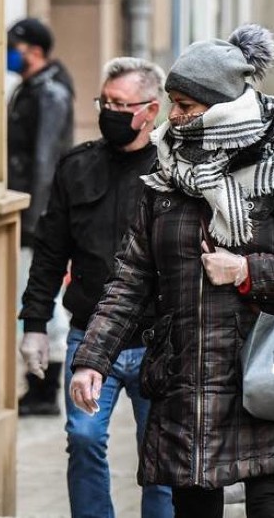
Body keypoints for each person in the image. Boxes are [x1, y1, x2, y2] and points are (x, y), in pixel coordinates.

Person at [69, 24, 274, 518]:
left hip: (263, 374)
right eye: (172, 103)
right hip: (185, 377)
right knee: (193, 508)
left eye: (186, 106)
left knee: (271, 508)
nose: (174, 116)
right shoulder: (164, 177)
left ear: (220, 105)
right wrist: (93, 359)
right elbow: (130, 279)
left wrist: (245, 270)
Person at [17, 57, 173, 518]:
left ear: (151, 110)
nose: (110, 111)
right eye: (105, 101)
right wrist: (35, 325)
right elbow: (49, 252)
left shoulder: (176, 170)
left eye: (121, 104)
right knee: (83, 440)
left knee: (160, 457)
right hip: (90, 338)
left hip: (157, 341)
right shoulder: (77, 167)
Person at [7, 17, 75, 415]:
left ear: (33, 50)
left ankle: (44, 390)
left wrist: (36, 219)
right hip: (29, 214)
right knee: (31, 297)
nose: (10, 55)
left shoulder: (49, 92)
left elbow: (45, 160)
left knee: (44, 301)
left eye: (14, 46)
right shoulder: (29, 89)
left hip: (40, 216)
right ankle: (38, 386)